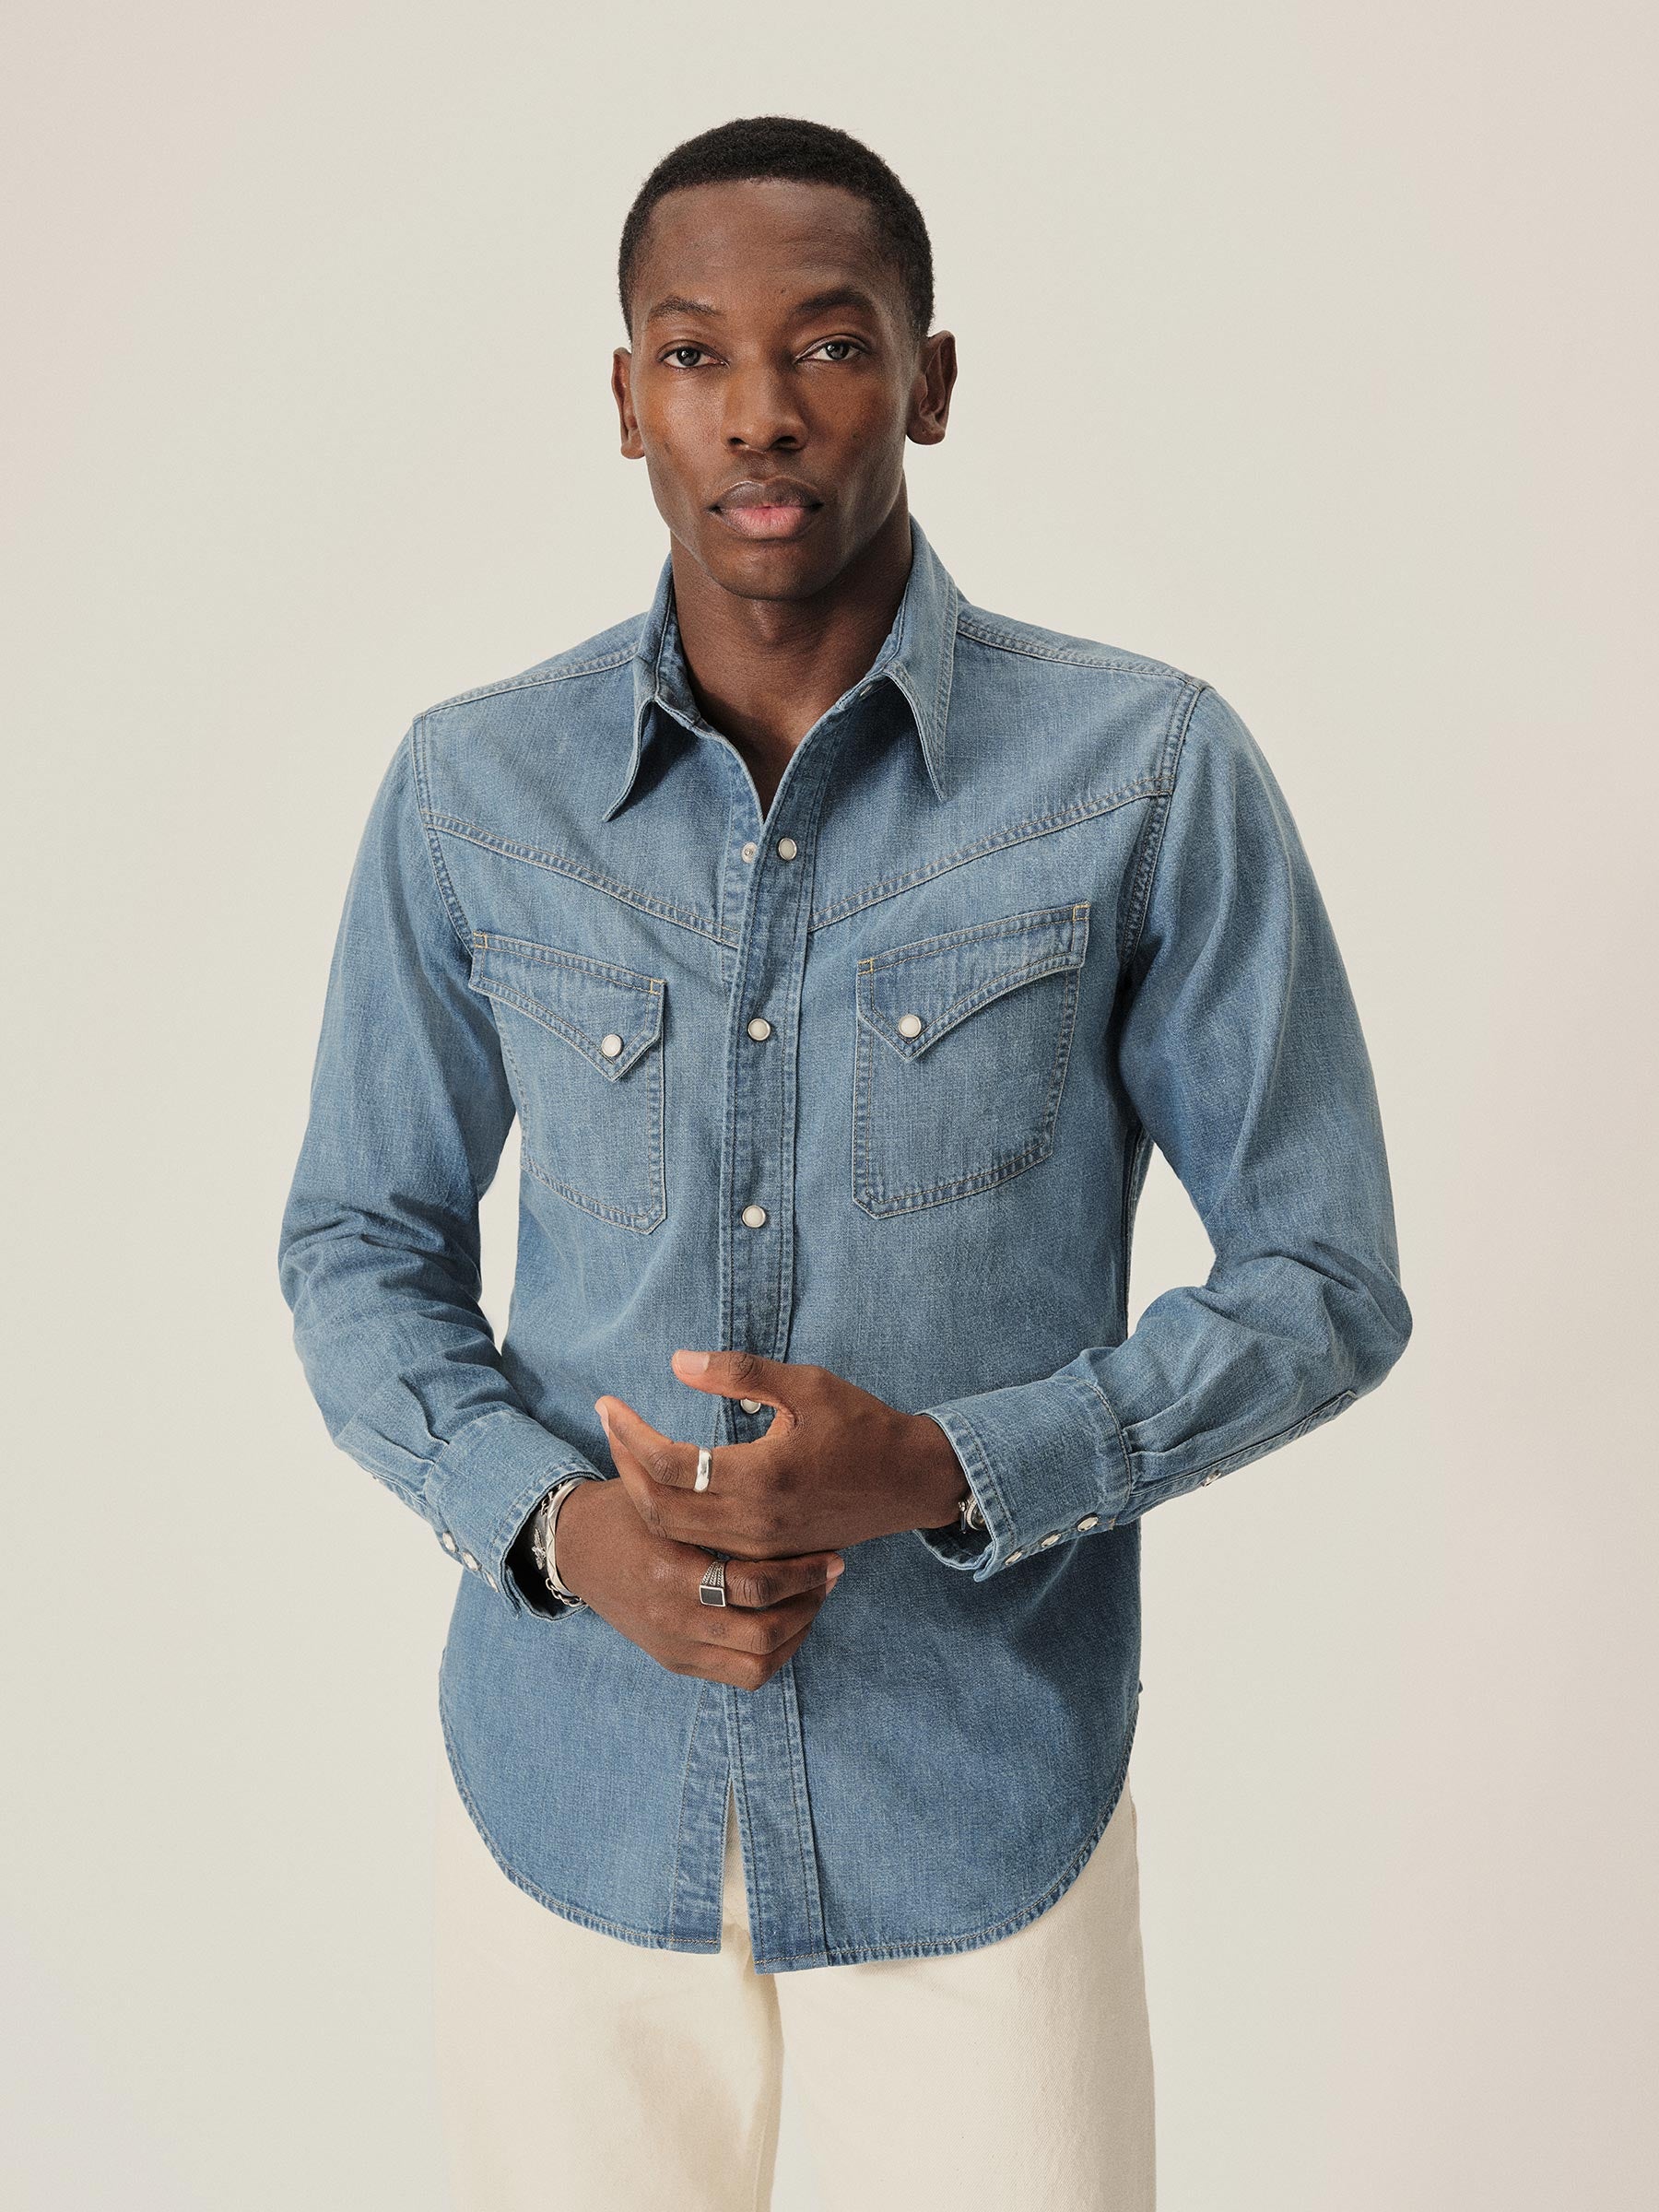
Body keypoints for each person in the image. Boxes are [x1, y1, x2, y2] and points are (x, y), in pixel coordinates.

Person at [276, 112, 1411, 2212]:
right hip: (567, 1799)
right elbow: (357, 1241)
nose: (761, 414)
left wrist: (955, 1469)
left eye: (829, 344)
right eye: (693, 353)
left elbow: (1323, 1275)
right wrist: (557, 1529)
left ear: (930, 379)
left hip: (975, 1801)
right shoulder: (471, 789)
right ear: (626, 398)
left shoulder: (1142, 774)